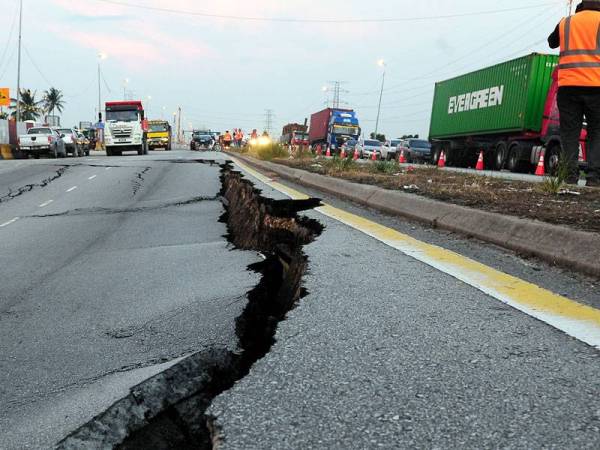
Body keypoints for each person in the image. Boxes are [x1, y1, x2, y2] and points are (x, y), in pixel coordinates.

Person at [548, 1, 600, 186]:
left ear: (581, 7)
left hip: (569, 87)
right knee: (596, 132)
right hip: (597, 86)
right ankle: (594, 179)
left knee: (569, 133)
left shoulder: (566, 22)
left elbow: (551, 42)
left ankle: (569, 176)